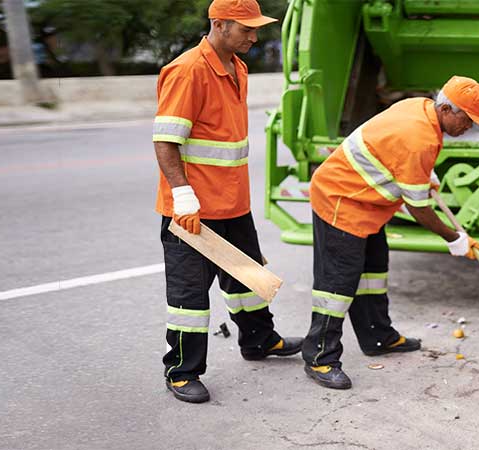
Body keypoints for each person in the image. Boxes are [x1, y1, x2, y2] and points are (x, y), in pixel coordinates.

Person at [299, 76, 479, 389]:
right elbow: (418, 208)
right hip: (342, 200)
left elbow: (395, 149)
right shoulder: (420, 137)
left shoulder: (419, 108)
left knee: (373, 273)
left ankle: (378, 336)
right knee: (336, 285)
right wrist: (454, 239)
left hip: (367, 204)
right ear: (446, 108)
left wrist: (423, 171)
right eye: (468, 119)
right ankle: (319, 357)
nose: (470, 127)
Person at [152, 0, 302, 403]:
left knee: (248, 280)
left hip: (233, 203)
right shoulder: (188, 71)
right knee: (189, 298)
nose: (254, 36)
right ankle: (182, 372)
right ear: (219, 25)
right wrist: (183, 197)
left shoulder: (237, 67)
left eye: (256, 29)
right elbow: (166, 140)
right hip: (191, 212)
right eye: (246, 29)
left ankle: (259, 341)